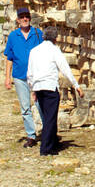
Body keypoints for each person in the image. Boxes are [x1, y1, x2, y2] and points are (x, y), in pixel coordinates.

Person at [24, 24, 80, 156]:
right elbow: (65, 68)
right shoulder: (54, 50)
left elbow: (29, 73)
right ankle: (46, 148)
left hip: (38, 87)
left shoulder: (34, 51)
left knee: (47, 116)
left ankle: (53, 142)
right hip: (49, 86)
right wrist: (76, 85)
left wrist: (32, 89)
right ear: (55, 38)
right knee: (50, 118)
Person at [3, 8, 44, 148]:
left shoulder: (38, 34)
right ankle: (31, 135)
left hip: (36, 76)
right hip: (20, 76)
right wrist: (7, 78)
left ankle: (47, 132)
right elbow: (9, 58)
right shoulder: (13, 36)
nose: (25, 19)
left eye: (27, 16)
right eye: (22, 17)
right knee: (25, 107)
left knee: (40, 105)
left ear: (30, 18)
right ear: (18, 20)